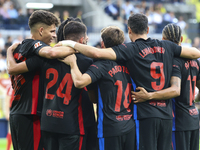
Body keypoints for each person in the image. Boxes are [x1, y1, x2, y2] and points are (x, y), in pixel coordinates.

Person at [58, 13, 200, 150]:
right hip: (167, 116)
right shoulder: (166, 46)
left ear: (129, 30)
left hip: (144, 115)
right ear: (148, 29)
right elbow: (195, 53)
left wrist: (70, 43)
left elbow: (96, 53)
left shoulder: (130, 49)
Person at [7, 19, 94, 150]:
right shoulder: (87, 61)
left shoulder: (42, 60)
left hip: (47, 123)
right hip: (72, 124)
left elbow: (13, 69)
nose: (53, 35)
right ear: (81, 40)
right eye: (52, 31)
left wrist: (9, 51)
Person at [60, 26, 136, 150]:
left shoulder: (101, 65)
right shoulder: (130, 63)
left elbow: (79, 82)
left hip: (110, 128)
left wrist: (73, 63)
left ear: (102, 43)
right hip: (129, 125)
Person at [132, 24, 200, 150]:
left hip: (178, 122)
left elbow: (175, 90)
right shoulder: (195, 61)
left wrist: (149, 95)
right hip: (193, 118)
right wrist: (194, 99)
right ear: (181, 39)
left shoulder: (174, 61)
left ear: (163, 39)